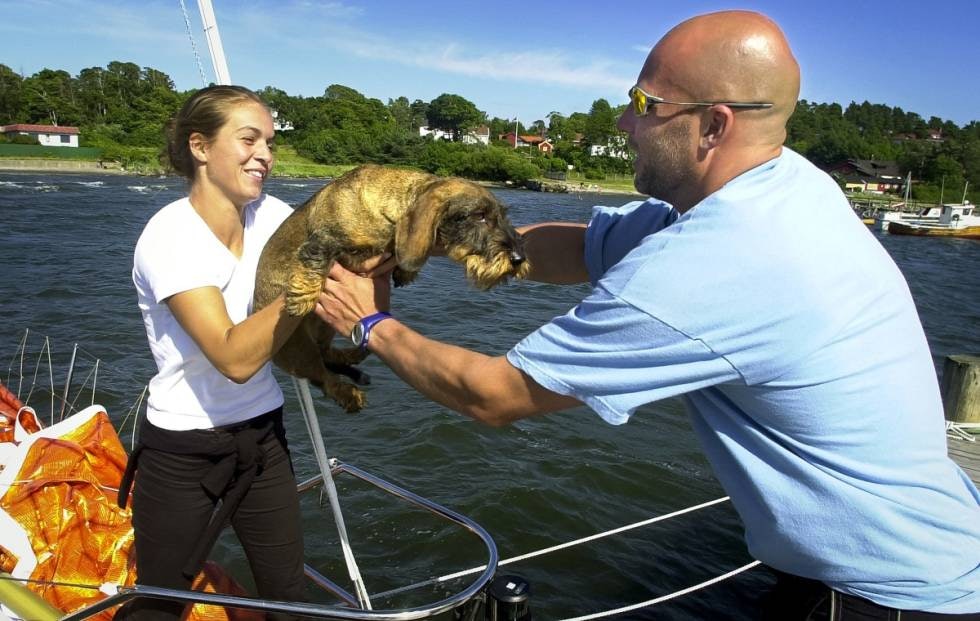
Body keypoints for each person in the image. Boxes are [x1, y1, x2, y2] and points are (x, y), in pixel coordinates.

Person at [314, 10, 980, 620]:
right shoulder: (777, 186)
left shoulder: (725, 257)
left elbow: (494, 394)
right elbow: (580, 245)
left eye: (644, 104)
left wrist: (368, 320)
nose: (623, 123)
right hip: (907, 560)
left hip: (884, 597)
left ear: (714, 125)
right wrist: (428, 241)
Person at [119, 85, 306, 620]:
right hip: (183, 449)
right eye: (249, 139)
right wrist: (313, 283)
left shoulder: (272, 215)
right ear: (200, 148)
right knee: (161, 602)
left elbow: (338, 244)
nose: (265, 155)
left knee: (287, 596)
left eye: (269, 142)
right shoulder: (170, 236)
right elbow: (233, 358)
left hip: (264, 438)